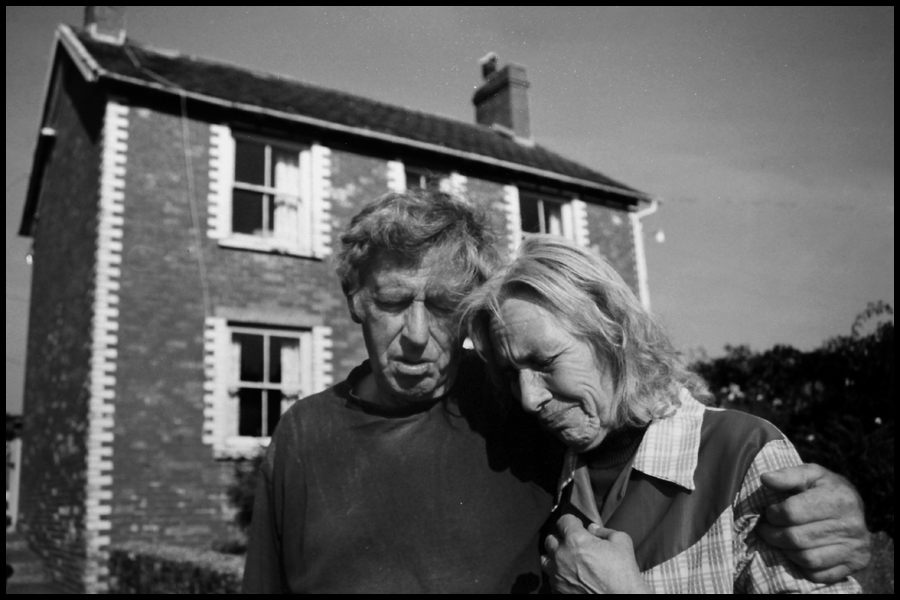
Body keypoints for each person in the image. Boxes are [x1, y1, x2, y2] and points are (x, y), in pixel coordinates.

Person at [242, 191, 870, 594]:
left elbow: (651, 414)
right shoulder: (301, 434)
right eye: (390, 302)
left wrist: (831, 502)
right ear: (355, 299)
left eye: (440, 306)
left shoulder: (512, 414)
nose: (414, 335)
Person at [463, 233, 866, 593]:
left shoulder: (741, 457)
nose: (529, 398)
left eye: (546, 362)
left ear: (612, 332)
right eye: (513, 375)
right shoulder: (542, 478)